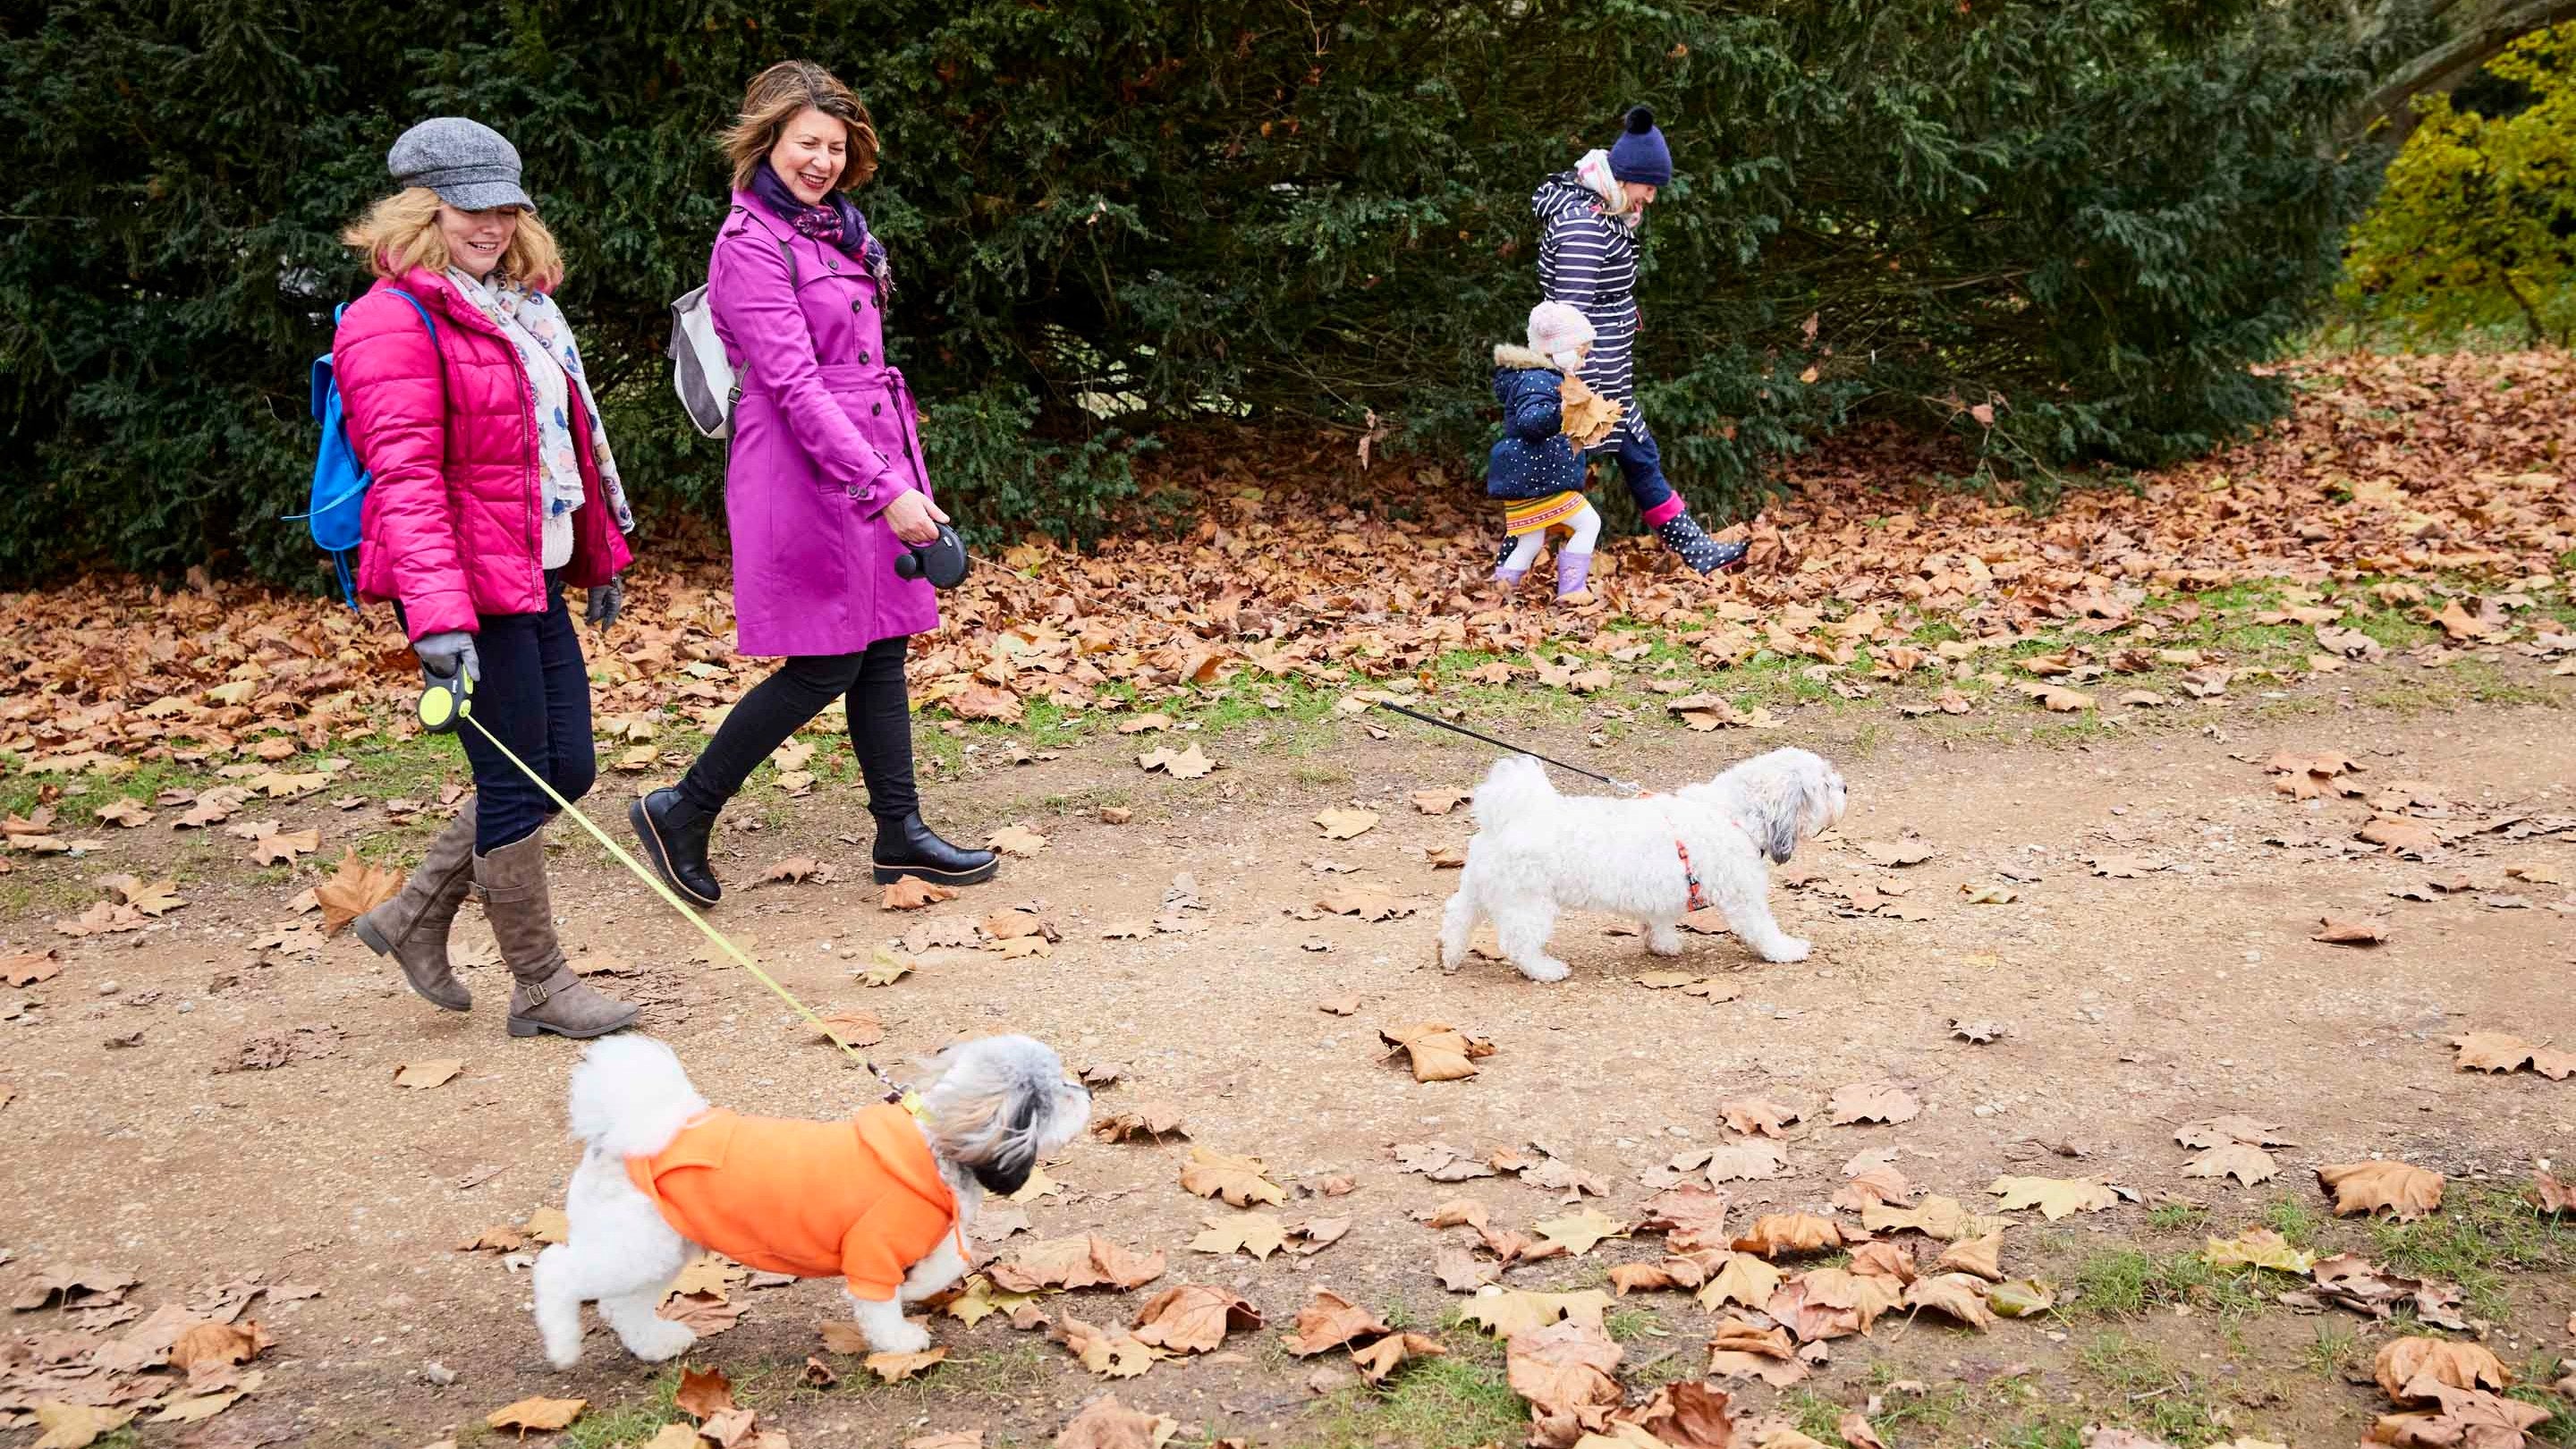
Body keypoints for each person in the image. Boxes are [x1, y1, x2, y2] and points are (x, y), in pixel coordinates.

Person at [630, 61, 995, 907]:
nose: (822, 160)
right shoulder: (749, 245)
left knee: (880, 647)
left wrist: (890, 473)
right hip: (804, 468)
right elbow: (794, 388)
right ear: (767, 143)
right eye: (806, 144)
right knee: (825, 661)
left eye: (835, 146)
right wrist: (885, 488)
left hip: (864, 452)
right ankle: (682, 808)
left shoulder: (836, 231)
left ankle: (900, 834)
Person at [335, 117, 640, 1040]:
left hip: (532, 572)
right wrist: (436, 619)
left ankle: (413, 914)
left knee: (568, 768)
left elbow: (558, 452)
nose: (493, 224)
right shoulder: (392, 320)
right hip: (463, 592)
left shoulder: (523, 306)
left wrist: (596, 554)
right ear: (424, 210)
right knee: (516, 783)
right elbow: (408, 478)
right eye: (472, 207)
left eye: (506, 206)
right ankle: (540, 985)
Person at [1532, 106, 1747, 574]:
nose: (1651, 197)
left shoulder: (1602, 216)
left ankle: (1695, 550)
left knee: (1639, 458)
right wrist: (1576, 386)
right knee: (1558, 476)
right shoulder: (1585, 225)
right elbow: (1568, 315)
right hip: (1585, 384)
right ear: (1625, 178)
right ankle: (1526, 567)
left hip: (1606, 378)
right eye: (1648, 186)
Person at [1487, 301, 1609, 605]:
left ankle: (1500, 593)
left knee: (1529, 542)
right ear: (1562, 350)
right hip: (1538, 477)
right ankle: (1571, 592)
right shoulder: (1538, 379)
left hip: (1531, 476)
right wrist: (1563, 412)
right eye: (1581, 353)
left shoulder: (1541, 378)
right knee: (1588, 523)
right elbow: (1531, 422)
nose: (1583, 361)